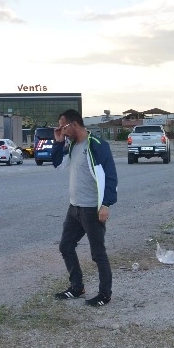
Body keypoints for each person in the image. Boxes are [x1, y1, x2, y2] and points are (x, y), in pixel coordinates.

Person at [50, 109, 118, 306]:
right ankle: (77, 287)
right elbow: (57, 164)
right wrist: (58, 141)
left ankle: (105, 294)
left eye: (63, 126)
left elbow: (111, 176)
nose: (61, 130)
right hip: (75, 209)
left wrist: (105, 204)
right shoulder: (72, 146)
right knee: (66, 246)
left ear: (74, 124)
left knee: (98, 253)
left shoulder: (96, 145)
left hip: (91, 209)